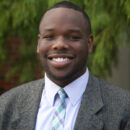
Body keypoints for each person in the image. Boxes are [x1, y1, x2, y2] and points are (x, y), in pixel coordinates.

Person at [0, 1, 130, 130]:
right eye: (50, 36)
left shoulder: (124, 108)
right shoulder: (6, 105)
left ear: (89, 44)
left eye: (73, 37)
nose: (60, 44)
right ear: (39, 44)